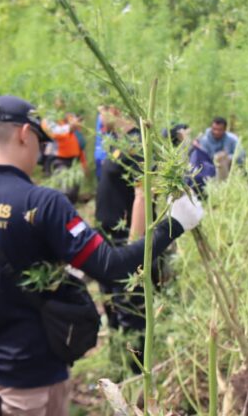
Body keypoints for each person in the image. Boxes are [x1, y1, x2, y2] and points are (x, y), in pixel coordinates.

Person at [0, 95, 203, 415]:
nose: (43, 151)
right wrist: (175, 224)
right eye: (40, 142)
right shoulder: (43, 204)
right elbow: (109, 266)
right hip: (31, 383)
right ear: (24, 135)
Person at [94, 106, 153, 371]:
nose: (99, 114)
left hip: (122, 246)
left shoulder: (138, 145)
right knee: (113, 308)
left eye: (102, 109)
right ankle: (117, 367)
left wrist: (132, 247)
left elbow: (143, 195)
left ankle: (135, 371)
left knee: (130, 310)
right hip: (108, 244)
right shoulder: (121, 143)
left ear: (114, 109)